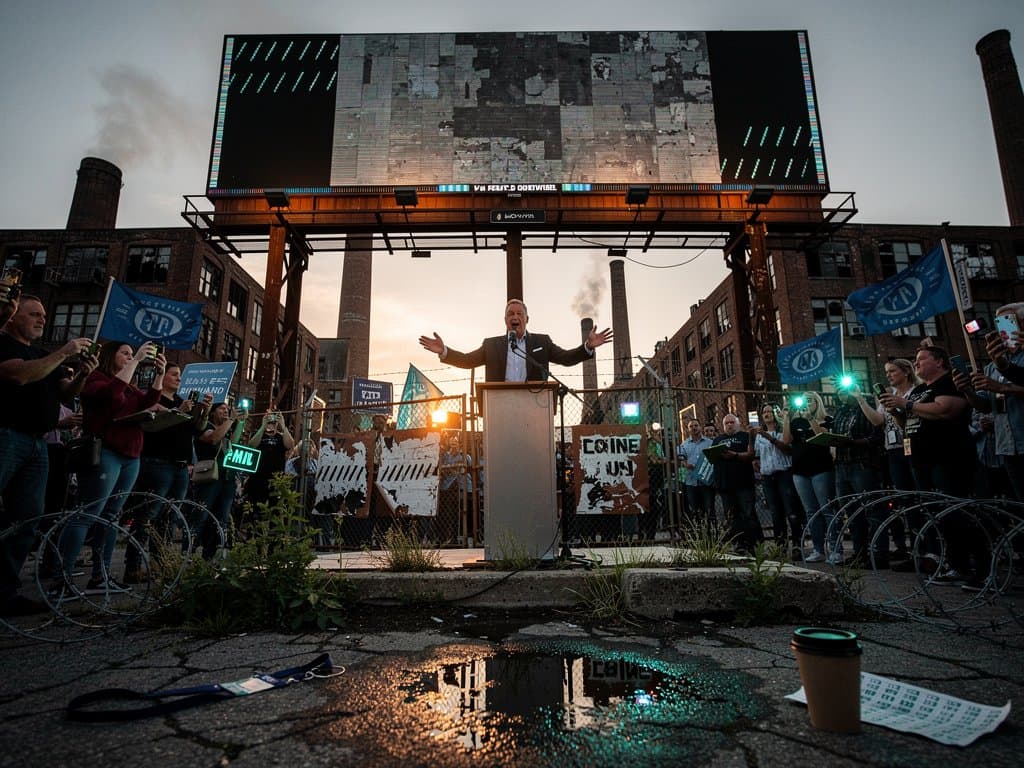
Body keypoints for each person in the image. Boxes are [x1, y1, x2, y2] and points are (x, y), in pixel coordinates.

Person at [0, 297, 95, 615]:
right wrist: (66, 351)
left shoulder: (44, 355)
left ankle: (6, 592)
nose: (42, 319)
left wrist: (82, 375)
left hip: (38, 444)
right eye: (33, 314)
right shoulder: (5, 345)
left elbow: (66, 392)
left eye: (43, 315)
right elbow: (20, 376)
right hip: (7, 435)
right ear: (13, 318)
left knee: (27, 518)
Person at [56, 340, 165, 594]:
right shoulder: (96, 379)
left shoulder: (130, 387)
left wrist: (159, 376)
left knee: (111, 517)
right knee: (88, 513)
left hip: (131, 456)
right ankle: (62, 578)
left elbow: (148, 401)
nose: (129, 357)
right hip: (106, 452)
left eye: (131, 354)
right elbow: (112, 397)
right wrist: (137, 360)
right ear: (110, 356)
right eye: (125, 353)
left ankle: (100, 575)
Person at [880, 346, 979, 585]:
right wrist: (897, 411)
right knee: (937, 515)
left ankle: (970, 566)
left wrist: (906, 405)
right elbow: (908, 423)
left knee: (955, 511)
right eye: (915, 359)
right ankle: (950, 563)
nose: (917, 363)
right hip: (921, 460)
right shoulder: (920, 391)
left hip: (947, 457)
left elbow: (945, 410)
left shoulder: (948, 382)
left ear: (940, 361)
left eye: (922, 359)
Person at [123, 365, 211, 583]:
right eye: (174, 374)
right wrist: (179, 410)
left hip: (181, 467)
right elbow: (152, 427)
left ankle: (159, 563)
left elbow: (197, 430)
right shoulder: (152, 400)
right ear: (161, 377)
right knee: (148, 515)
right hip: (157, 463)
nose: (179, 378)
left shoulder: (185, 402)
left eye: (180, 376)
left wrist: (204, 411)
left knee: (169, 517)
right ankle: (132, 566)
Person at [418, 298, 612, 382]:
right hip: (499, 406)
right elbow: (468, 361)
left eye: (519, 313)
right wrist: (445, 351)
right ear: (505, 320)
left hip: (535, 406)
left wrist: (587, 347)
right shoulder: (491, 345)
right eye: (510, 314)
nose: (515, 317)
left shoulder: (542, 342)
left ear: (527, 319)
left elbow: (566, 358)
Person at [958, 303, 1024, 503]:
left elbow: (1002, 388)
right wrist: (967, 390)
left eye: (1008, 321)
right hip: (1006, 445)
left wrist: (1002, 387)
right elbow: (985, 405)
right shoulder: (992, 366)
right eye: (998, 323)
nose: (1001, 328)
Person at [831, 384, 885, 565]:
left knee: (872, 509)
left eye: (845, 389)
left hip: (863, 464)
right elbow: (836, 435)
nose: (841, 393)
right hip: (842, 465)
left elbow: (878, 436)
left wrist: (854, 442)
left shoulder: (868, 406)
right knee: (852, 512)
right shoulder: (841, 411)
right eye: (838, 390)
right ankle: (859, 553)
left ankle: (879, 554)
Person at [782, 392, 834, 563]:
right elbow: (786, 440)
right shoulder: (796, 421)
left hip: (821, 469)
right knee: (811, 511)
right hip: (800, 472)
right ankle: (818, 550)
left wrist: (811, 418)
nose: (807, 403)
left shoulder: (826, 419)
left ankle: (835, 548)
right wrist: (787, 418)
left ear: (818, 402)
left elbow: (823, 438)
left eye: (811, 400)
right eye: (805, 401)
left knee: (827, 509)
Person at [189, 402, 244, 558]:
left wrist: (240, 422)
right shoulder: (204, 426)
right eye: (222, 409)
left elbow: (233, 442)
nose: (226, 411)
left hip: (227, 479)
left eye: (227, 410)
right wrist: (230, 420)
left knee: (220, 519)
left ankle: (209, 556)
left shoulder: (227, 428)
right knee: (201, 516)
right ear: (212, 412)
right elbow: (213, 438)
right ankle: (188, 553)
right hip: (209, 478)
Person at [751, 404, 804, 558]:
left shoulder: (783, 430)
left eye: (769, 411)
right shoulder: (759, 435)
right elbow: (756, 454)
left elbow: (788, 449)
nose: (767, 414)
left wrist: (770, 438)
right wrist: (756, 462)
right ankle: (780, 547)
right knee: (776, 513)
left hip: (784, 474)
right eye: (764, 412)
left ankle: (796, 545)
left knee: (791, 511)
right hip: (768, 477)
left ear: (775, 414)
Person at [710, 414, 761, 553]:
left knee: (748, 514)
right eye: (727, 423)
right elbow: (712, 459)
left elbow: (752, 454)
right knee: (732, 516)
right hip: (725, 484)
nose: (730, 425)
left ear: (738, 424)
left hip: (744, 482)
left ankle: (754, 544)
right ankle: (740, 544)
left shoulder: (745, 437)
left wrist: (734, 455)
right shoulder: (718, 439)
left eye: (732, 422)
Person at [244, 409, 295, 515]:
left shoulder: (281, 437)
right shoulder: (258, 434)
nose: (271, 422)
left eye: (273, 419)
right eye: (269, 418)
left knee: (275, 510)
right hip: (257, 478)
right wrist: (263, 426)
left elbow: (290, 445)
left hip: (276, 479)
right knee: (255, 509)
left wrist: (283, 425)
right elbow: (251, 445)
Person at [678, 419, 716, 527]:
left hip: (707, 482)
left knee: (709, 510)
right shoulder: (684, 445)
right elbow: (681, 459)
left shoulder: (710, 443)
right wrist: (686, 464)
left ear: (700, 427)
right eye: (691, 426)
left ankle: (712, 535)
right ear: (688, 429)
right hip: (691, 482)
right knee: (694, 511)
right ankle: (698, 536)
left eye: (696, 425)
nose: (694, 428)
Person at [437, 433, 471, 544]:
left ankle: (456, 537)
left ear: (459, 443)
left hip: (460, 487)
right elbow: (442, 469)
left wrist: (452, 469)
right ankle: (442, 537)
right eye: (452, 441)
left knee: (459, 513)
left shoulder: (465, 456)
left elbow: (466, 469)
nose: (454, 443)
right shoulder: (444, 456)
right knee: (445, 513)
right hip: (446, 487)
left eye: (456, 441)